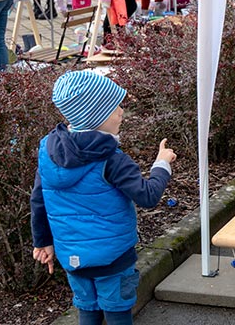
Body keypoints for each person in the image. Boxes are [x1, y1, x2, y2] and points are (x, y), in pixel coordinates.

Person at [30, 70, 176, 325]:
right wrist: (161, 165)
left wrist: (43, 242)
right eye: (114, 107)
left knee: (87, 310)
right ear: (94, 116)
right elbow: (148, 196)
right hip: (114, 259)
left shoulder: (48, 151)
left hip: (72, 257)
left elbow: (39, 199)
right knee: (118, 311)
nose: (121, 111)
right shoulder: (112, 159)